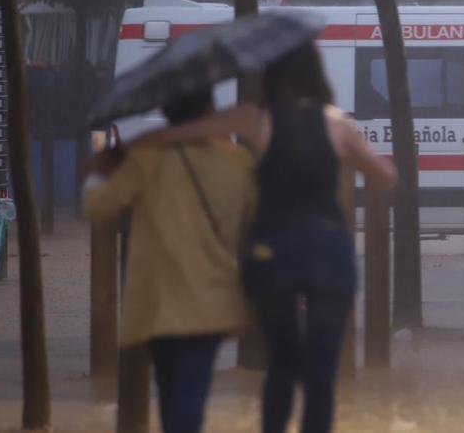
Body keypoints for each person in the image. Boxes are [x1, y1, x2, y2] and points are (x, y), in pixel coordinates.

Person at [135, 43, 397, 433]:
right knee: (322, 373)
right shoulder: (337, 123)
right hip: (328, 253)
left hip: (274, 253)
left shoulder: (253, 120)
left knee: (283, 362)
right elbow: (384, 176)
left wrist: (127, 149)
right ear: (315, 72)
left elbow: (184, 133)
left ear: (272, 76)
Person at [82, 88, 256, 433]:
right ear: (209, 109)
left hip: (157, 303)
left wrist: (100, 169)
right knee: (193, 391)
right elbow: (263, 213)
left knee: (171, 390)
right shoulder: (236, 162)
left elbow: (97, 206)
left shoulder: (147, 158)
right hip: (211, 298)